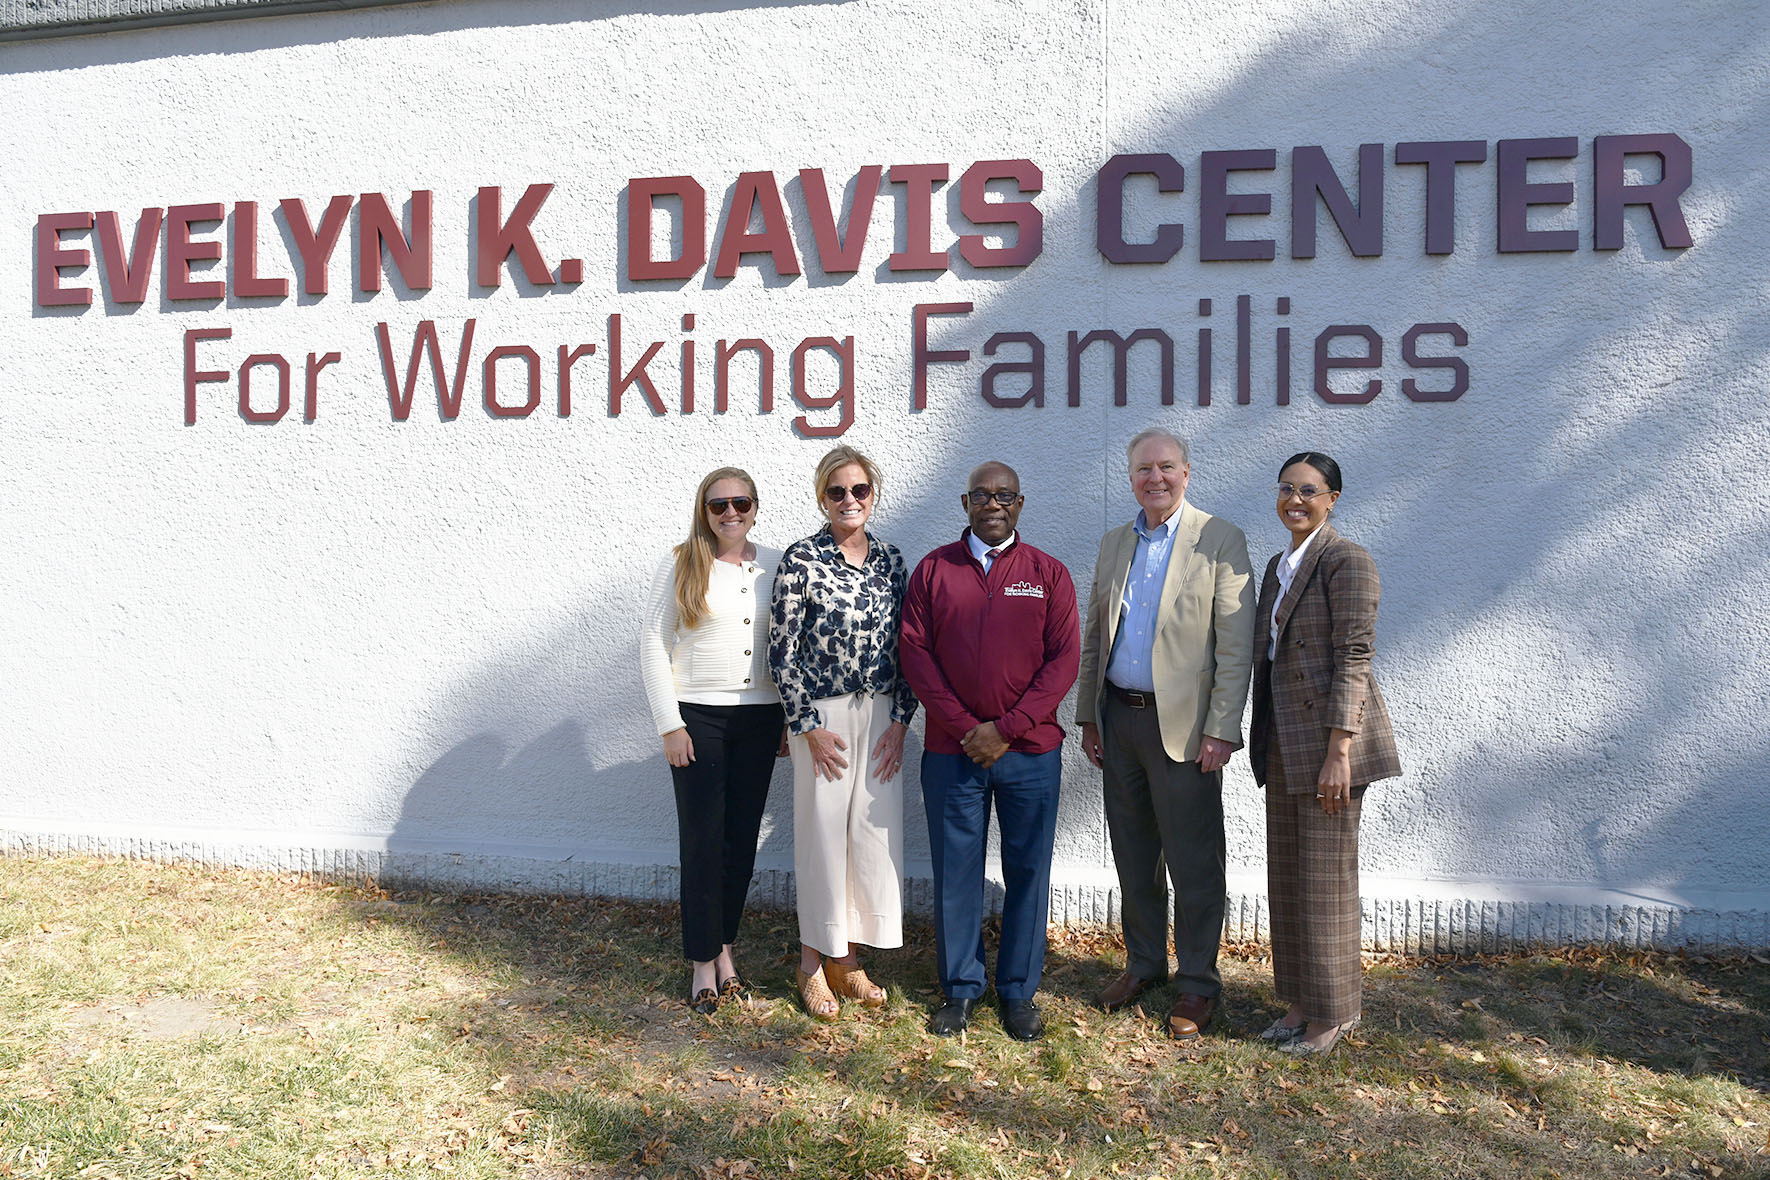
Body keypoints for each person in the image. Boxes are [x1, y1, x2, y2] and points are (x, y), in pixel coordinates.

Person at [1076, 428, 1254, 1039]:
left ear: (1186, 471)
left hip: (1184, 730)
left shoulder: (1219, 539)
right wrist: (1087, 715)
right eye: (1143, 469)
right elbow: (1096, 635)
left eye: (1166, 467)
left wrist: (1222, 728)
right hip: (1118, 719)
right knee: (1133, 856)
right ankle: (1144, 964)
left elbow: (1235, 648)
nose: (1155, 478)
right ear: (1131, 478)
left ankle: (1198, 984)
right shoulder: (1114, 542)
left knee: (1194, 862)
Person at [899, 461, 1080, 1041]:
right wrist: (964, 726)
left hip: (1030, 753)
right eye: (983, 495)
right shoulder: (933, 570)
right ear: (965, 502)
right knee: (957, 871)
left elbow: (1064, 661)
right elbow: (915, 656)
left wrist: (1007, 727)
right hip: (953, 753)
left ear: (1020, 504)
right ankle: (960, 988)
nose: (993, 504)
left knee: (1029, 869)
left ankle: (1019, 992)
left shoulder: (1047, 574)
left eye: (1004, 496)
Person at [1249, 452, 1401, 1056]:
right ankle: (1301, 999)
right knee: (1288, 878)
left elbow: (1355, 657)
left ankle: (1334, 1013)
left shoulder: (1347, 559)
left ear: (1332, 498)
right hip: (1286, 740)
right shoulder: (1277, 566)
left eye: (1309, 491)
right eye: (1286, 488)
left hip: (1329, 746)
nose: (1295, 500)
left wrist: (1340, 750)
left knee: (1326, 880)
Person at [768, 445, 917, 1021]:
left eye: (859, 490)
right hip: (823, 721)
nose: (849, 500)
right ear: (822, 498)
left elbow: (910, 648)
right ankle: (811, 963)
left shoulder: (890, 560)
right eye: (837, 492)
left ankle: (846, 961)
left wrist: (901, 721)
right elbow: (781, 654)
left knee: (868, 839)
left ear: (872, 495)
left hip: (880, 715)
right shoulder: (801, 559)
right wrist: (806, 727)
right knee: (823, 841)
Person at [639, 467, 786, 1015]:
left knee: (739, 843)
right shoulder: (682, 561)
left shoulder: (775, 564)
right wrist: (668, 724)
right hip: (698, 718)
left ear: (754, 505)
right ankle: (702, 961)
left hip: (760, 719)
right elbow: (654, 644)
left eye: (740, 503)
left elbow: (786, 643)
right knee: (703, 841)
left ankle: (726, 951)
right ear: (704, 511)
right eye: (718, 505)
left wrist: (788, 720)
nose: (730, 513)